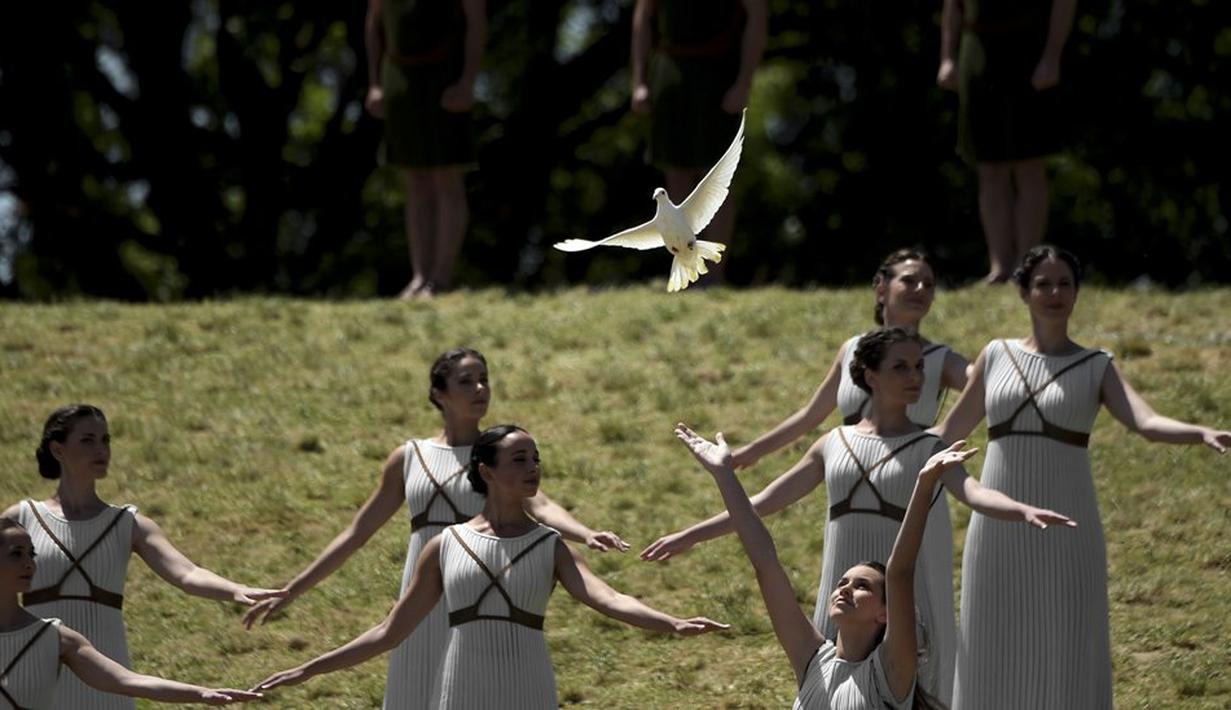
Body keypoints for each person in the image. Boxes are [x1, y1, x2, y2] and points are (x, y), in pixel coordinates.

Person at [645, 328, 1071, 703]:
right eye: (900, 367)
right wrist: (692, 534)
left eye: (919, 367)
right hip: (846, 591)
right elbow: (765, 504)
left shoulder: (931, 448)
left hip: (900, 597)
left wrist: (1021, 508)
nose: (915, 377)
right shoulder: (834, 442)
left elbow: (973, 493)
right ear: (870, 376)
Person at [243, 348, 628, 709]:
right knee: (413, 689)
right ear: (438, 393)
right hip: (423, 592)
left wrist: (584, 533)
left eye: (484, 379)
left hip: (476, 590)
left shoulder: (498, 458)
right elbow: (356, 533)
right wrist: (292, 589)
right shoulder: (410, 457)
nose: (480, 389)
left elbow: (541, 505)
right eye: (466, 381)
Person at [933, 245, 1231, 709]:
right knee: (992, 636)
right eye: (1043, 284)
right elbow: (946, 435)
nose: (1055, 293)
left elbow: (1146, 422)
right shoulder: (995, 356)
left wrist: (1201, 432)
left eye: (1064, 284)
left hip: (1069, 526)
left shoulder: (1097, 364)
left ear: (1076, 292)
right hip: (997, 527)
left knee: (1067, 637)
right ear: (1024, 292)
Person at [252, 425, 726, 707]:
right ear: (487, 471)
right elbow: (389, 632)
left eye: (536, 459)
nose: (533, 467)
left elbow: (608, 598)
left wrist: (672, 623)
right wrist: (307, 670)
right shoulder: (445, 545)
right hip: (459, 687)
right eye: (519, 459)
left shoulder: (551, 545)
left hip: (529, 686)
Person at [674, 423, 978, 709]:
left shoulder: (890, 673)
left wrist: (924, 484)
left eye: (862, 586)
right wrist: (724, 475)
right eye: (843, 582)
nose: (845, 588)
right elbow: (765, 562)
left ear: (886, 613)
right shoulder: (812, 659)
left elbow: (899, 572)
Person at [2, 406, 282, 710]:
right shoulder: (21, 519)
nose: (101, 449)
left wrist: (235, 590)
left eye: (105, 440)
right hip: (35, 674)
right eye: (88, 440)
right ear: (58, 450)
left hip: (109, 672)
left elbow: (186, 573)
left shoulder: (127, 523)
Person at [0, 518, 260, 708]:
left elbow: (126, 680)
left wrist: (201, 693)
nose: (29, 563)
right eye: (16, 554)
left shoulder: (56, 638)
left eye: (31, 554)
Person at [937, 0, 1077, 283]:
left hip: (1029, 50)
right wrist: (947, 58)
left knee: (1029, 165)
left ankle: (1027, 263)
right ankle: (999, 266)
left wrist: (1052, 56)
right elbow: (953, 5)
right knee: (989, 166)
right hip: (977, 51)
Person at [630, 0, 766, 283]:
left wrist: (744, 82)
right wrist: (639, 81)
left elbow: (757, 15)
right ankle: (686, 272)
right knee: (675, 176)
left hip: (718, 76)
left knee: (717, 178)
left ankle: (714, 276)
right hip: (669, 74)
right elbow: (643, 17)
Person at [365, 0, 486, 299]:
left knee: (446, 177)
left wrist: (467, 82)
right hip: (399, 77)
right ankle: (419, 276)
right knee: (415, 179)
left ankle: (440, 277)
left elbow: (476, 22)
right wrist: (375, 83)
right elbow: (374, 23)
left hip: (444, 77)